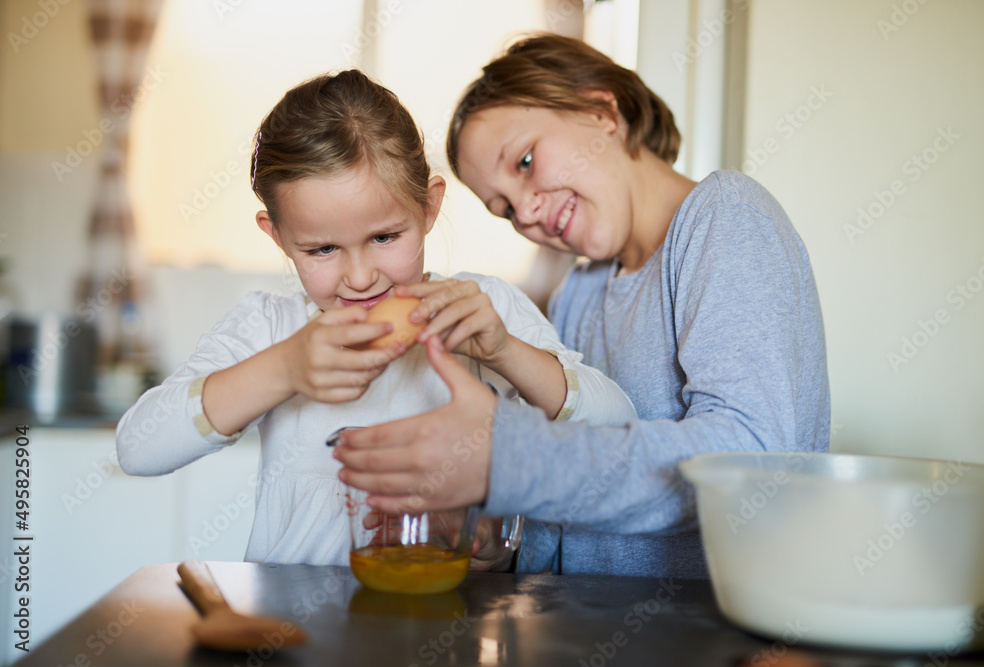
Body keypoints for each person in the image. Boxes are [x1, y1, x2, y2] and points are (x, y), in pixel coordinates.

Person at [333, 35, 831, 578]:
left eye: (524, 162)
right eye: (503, 209)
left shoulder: (726, 219)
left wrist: (510, 461)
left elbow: (748, 458)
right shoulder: (581, 291)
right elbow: (572, 504)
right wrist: (494, 532)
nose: (525, 212)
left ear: (601, 111)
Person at [115, 69, 636, 567]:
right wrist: (283, 369)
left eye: (384, 238)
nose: (360, 277)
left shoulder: (482, 309)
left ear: (428, 208)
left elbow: (619, 424)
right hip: (295, 637)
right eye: (322, 249)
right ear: (277, 237)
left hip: (447, 624)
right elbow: (138, 447)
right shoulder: (270, 328)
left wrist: (506, 351)